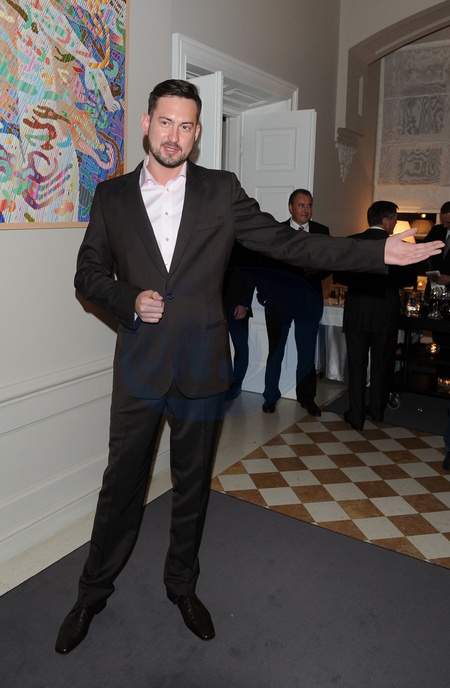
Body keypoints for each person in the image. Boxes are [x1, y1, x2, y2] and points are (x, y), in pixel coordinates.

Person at [54, 79, 443, 655]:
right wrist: (128, 298)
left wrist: (376, 251)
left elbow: (292, 245)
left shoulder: (220, 191)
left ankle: (182, 586)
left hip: (203, 366)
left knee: (192, 488)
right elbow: (88, 275)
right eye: (166, 122)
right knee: (120, 487)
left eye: (187, 125)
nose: (174, 135)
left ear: (197, 133)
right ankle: (91, 594)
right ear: (146, 123)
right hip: (140, 365)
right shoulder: (111, 197)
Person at [334, 201, 416, 431]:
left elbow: (339, 275)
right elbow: (409, 279)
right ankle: (377, 411)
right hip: (385, 313)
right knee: (382, 364)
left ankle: (356, 416)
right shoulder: (398, 245)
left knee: (356, 366)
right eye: (395, 219)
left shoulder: (352, 241)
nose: (395, 224)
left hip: (358, 311)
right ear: (387, 221)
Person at [257, 189, 330, 416]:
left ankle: (307, 399)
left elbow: (331, 262)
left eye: (309, 205)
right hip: (279, 303)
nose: (305, 210)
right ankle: (270, 396)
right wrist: (265, 294)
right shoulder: (277, 231)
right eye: (301, 205)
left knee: (307, 354)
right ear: (290, 207)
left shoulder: (321, 232)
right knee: (276, 352)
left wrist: (318, 270)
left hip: (309, 302)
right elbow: (263, 265)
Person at [222, 242, 260, 400]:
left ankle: (235, 385)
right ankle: (221, 385)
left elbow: (251, 273)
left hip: (237, 306)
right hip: (215, 305)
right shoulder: (218, 240)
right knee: (219, 350)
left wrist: (244, 303)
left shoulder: (245, 242)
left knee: (240, 348)